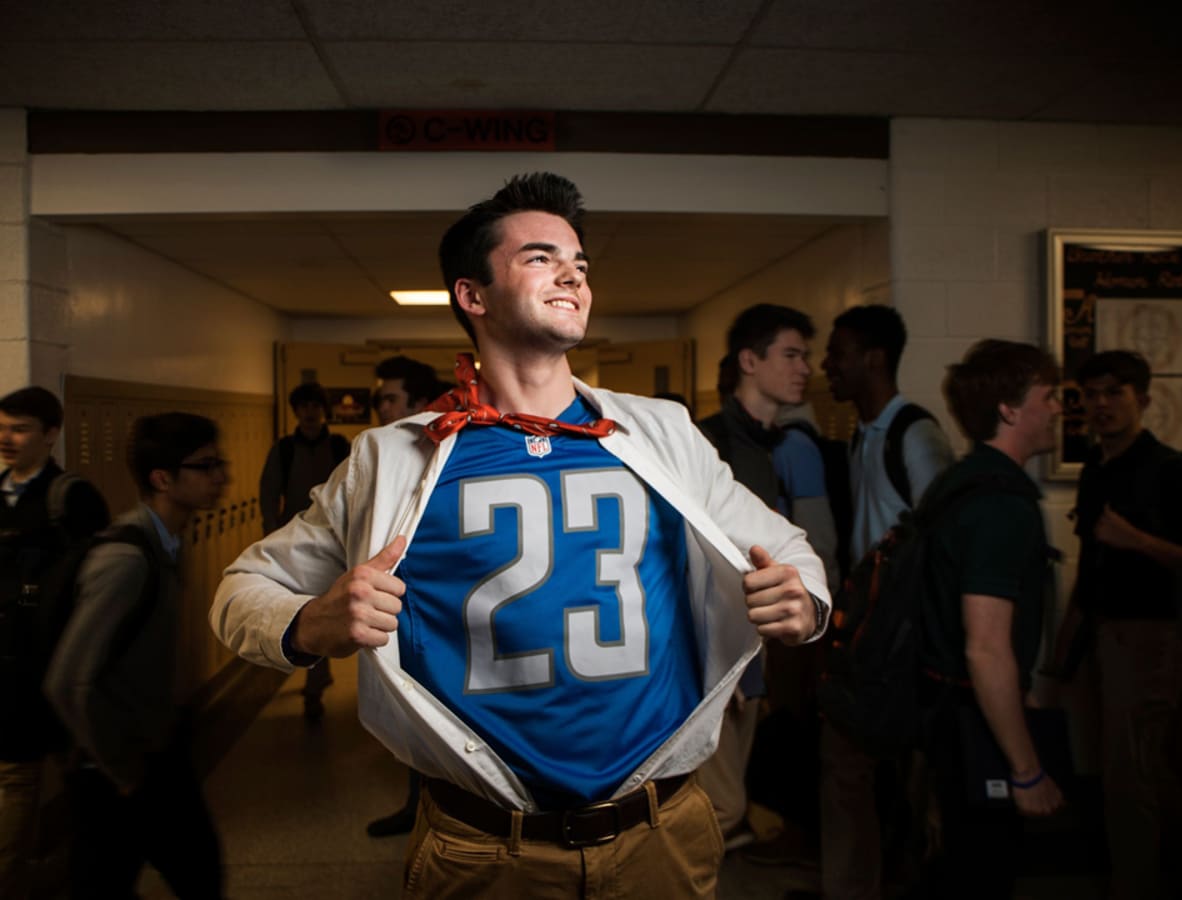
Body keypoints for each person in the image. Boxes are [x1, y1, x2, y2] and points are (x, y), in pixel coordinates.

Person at [212, 172, 830, 899]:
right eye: (540, 257)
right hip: (482, 847)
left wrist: (805, 600)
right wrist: (312, 622)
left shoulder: (658, 431)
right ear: (472, 296)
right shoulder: (396, 457)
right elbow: (239, 590)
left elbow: (786, 547)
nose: (572, 273)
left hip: (661, 830)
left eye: (580, 263)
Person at [45, 412, 227, 899]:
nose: (221, 477)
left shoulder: (167, 542)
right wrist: (121, 771)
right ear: (162, 478)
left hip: (157, 751)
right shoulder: (125, 559)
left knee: (195, 874)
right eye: (206, 466)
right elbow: (67, 681)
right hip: (119, 768)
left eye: (219, 463)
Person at [918, 339, 1065, 899]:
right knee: (982, 872)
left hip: (943, 715)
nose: (1056, 408)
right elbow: (986, 648)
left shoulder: (962, 482)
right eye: (1047, 396)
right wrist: (1026, 770)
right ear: (1009, 409)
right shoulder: (1000, 505)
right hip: (969, 724)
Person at [1050, 350, 1182, 900]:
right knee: (1126, 769)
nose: (1101, 405)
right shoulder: (1097, 467)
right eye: (1091, 395)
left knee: (1132, 774)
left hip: (1154, 636)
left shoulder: (1169, 471)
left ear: (1143, 398)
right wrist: (1063, 653)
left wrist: (1137, 541)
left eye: (1114, 392)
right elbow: (1091, 568)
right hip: (1102, 633)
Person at [817, 304, 954, 900]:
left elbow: (942, 541)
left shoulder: (914, 433)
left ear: (873, 358)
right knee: (852, 768)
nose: (828, 366)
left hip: (903, 638)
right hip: (866, 630)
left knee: (908, 777)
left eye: (838, 353)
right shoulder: (861, 435)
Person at [695, 304, 835, 851]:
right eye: (792, 355)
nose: (805, 368)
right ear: (750, 360)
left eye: (808, 356)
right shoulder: (700, 444)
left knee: (738, 788)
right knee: (720, 803)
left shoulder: (799, 446)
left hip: (781, 643)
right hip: (719, 645)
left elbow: (819, 550)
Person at [0, 387, 108, 899]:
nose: (6, 437)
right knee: (16, 775)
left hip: (64, 660)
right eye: (2, 426)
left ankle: (90, 871)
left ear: (50, 434)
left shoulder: (73, 498)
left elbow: (102, 583)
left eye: (19, 428)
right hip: (11, 664)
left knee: (80, 776)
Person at [364, 355, 451, 839]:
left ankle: (436, 814)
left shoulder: (447, 452)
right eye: (379, 398)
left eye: (389, 399)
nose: (380, 407)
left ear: (418, 403)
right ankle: (418, 807)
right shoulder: (379, 456)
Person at [258, 382, 349, 720]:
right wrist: (270, 532)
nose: (310, 412)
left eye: (315, 405)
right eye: (304, 406)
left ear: (323, 409)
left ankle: (315, 685)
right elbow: (268, 492)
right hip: (291, 541)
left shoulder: (340, 446)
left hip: (330, 543)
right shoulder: (283, 449)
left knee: (322, 610)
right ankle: (296, 664)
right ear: (296, 410)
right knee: (293, 608)